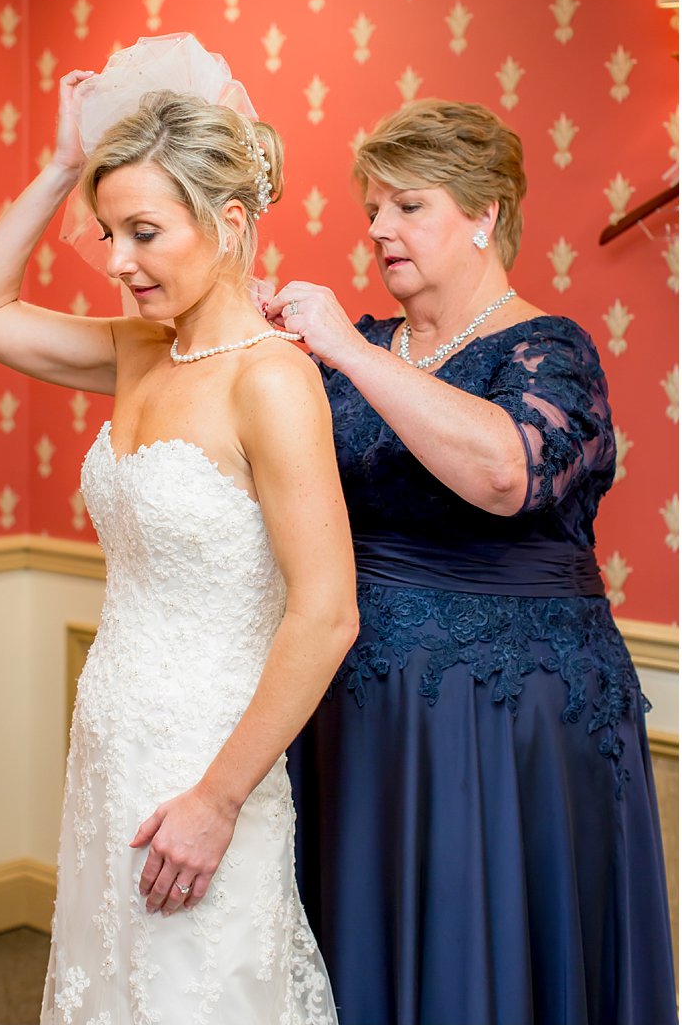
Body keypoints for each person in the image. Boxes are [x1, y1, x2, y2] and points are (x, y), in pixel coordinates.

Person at [0, 72, 357, 1024]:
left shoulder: (274, 382)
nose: (117, 260)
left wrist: (217, 798)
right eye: (108, 232)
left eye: (146, 232)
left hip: (211, 755)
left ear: (232, 220)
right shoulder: (139, 349)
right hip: (110, 737)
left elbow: (327, 613)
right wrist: (59, 169)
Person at [268, 99, 678, 1024]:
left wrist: (338, 347)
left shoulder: (549, 349)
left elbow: (505, 472)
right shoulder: (363, 347)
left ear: (485, 213)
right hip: (357, 711)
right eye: (372, 209)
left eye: (407, 206)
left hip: (507, 718)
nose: (378, 229)